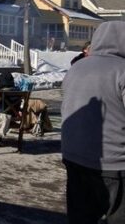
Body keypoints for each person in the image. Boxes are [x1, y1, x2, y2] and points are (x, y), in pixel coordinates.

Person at [61, 22, 125, 223]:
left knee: (81, 216)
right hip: (115, 164)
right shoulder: (122, 70)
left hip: (74, 158)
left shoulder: (76, 68)